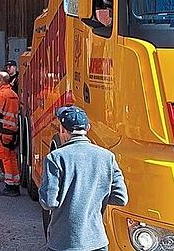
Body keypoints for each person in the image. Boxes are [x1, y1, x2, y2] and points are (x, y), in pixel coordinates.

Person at [39, 106, 128, 251]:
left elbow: (48, 202)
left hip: (64, 242)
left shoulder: (55, 158)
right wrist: (94, 197)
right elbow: (121, 198)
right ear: (88, 128)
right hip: (97, 241)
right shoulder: (107, 157)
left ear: (62, 129)